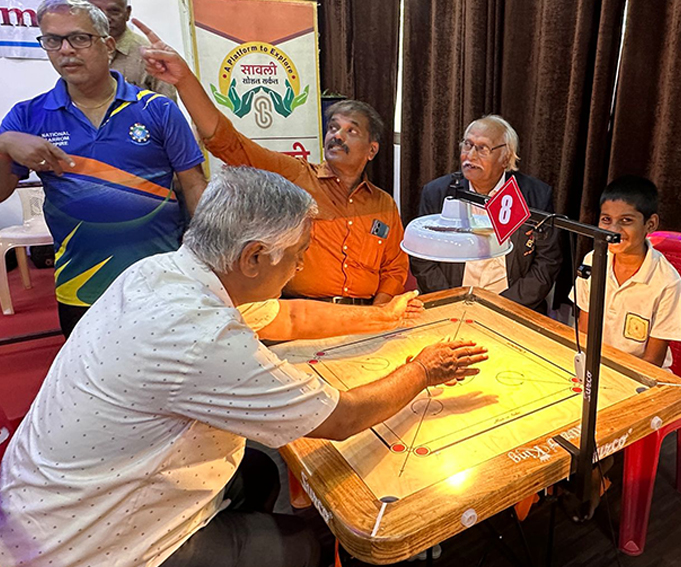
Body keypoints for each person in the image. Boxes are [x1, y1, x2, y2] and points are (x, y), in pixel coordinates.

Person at [0, 167, 488, 567]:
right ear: (254, 257)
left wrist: (384, 316)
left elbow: (290, 317)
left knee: (256, 471)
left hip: (41, 502)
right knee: (303, 545)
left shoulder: (162, 270)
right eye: (298, 257)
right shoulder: (202, 336)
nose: (299, 269)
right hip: (87, 546)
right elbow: (341, 419)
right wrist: (423, 370)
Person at [133, 19, 408, 306]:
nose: (337, 136)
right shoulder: (295, 177)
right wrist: (184, 80)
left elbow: (395, 269)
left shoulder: (384, 204)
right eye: (333, 128)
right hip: (300, 315)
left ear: (372, 150)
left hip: (367, 315)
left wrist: (378, 314)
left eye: (351, 131)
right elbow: (230, 143)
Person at [0, 0, 206, 337]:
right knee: (89, 371)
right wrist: (4, 144)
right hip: (81, 286)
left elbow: (194, 183)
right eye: (52, 40)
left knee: (174, 367)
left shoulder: (156, 110)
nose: (66, 50)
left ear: (108, 45)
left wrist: (206, 256)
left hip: (162, 279)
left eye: (79, 38)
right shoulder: (27, 116)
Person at [411, 115, 563, 313]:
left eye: (482, 148)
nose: (470, 156)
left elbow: (548, 261)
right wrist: (453, 300)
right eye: (467, 145)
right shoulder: (438, 192)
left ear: (505, 157)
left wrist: (502, 307)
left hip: (513, 307)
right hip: (451, 304)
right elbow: (421, 258)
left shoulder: (534, 196)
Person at [571, 175, 681, 367]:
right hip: (594, 366)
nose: (613, 230)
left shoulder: (667, 281)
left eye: (626, 220)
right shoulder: (593, 260)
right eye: (606, 219)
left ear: (650, 224)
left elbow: (652, 362)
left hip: (638, 374)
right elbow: (584, 331)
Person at [84, 0, 177, 100]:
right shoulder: (77, 51)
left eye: (113, 11)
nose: (105, 18)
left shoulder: (149, 56)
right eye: (96, 11)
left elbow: (168, 107)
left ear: (127, 13)